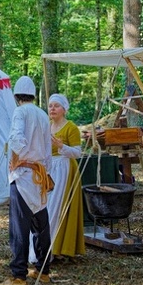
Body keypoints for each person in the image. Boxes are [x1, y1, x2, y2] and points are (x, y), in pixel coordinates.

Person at [0, 76, 53, 285]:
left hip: (24, 176)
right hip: (39, 176)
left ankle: (19, 275)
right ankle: (43, 269)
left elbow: (17, 139)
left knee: (20, 227)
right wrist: (45, 170)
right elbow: (47, 149)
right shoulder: (43, 114)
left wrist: (20, 158)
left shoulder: (20, 112)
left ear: (16, 96)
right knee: (40, 226)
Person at [46, 93, 85, 262]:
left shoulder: (71, 128)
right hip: (49, 170)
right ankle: (47, 246)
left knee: (58, 208)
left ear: (64, 109)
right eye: (50, 106)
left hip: (65, 170)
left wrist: (61, 146)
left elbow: (77, 153)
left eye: (56, 106)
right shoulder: (46, 126)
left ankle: (60, 248)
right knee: (47, 208)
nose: (52, 109)